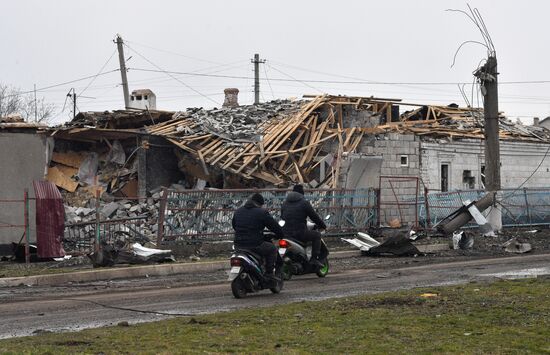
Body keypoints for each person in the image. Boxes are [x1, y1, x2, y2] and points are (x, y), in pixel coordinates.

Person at [232, 192, 284, 280]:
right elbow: (274, 226)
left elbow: (234, 226)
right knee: (272, 249)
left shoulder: (238, 211)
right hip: (254, 244)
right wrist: (280, 234)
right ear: (259, 203)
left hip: (238, 244)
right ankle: (269, 273)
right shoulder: (261, 212)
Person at [281, 184, 327, 267]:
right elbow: (314, 217)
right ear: (302, 193)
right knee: (317, 235)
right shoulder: (304, 203)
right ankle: (313, 259)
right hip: (299, 233)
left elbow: (282, 217)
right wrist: (323, 226)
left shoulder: (284, 203)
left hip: (285, 233)